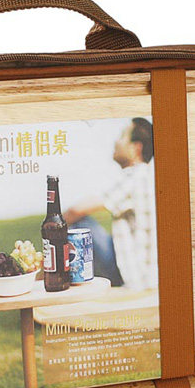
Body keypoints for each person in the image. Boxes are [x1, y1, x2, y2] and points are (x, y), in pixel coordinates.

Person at [63, 118, 156, 291]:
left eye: (122, 136)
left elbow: (76, 210)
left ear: (136, 148)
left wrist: (51, 232)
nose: (116, 142)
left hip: (133, 275)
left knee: (80, 225)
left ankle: (58, 278)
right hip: (146, 272)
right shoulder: (148, 176)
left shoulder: (136, 177)